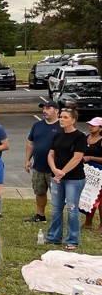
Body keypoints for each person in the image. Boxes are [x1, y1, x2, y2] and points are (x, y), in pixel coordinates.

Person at [46, 107, 88, 250]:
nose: (62, 120)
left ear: (73, 120)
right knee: (56, 208)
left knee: (71, 208)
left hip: (74, 179)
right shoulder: (57, 135)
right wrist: (54, 170)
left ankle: (72, 240)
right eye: (61, 117)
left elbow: (77, 158)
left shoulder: (80, 136)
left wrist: (62, 172)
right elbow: (51, 155)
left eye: (65, 117)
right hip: (57, 178)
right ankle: (54, 237)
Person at [24, 100, 61, 224]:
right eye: (44, 108)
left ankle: (57, 217)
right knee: (39, 192)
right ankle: (40, 215)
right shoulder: (37, 125)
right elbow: (31, 143)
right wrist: (27, 159)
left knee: (57, 195)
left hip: (55, 169)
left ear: (56, 111)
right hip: (38, 167)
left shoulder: (62, 126)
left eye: (48, 108)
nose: (44, 111)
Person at [82, 117, 102, 232]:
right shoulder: (85, 138)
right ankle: (88, 222)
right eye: (89, 125)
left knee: (100, 200)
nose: (90, 127)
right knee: (90, 196)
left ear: (100, 128)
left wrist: (90, 157)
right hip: (88, 172)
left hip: (100, 172)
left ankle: (101, 225)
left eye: (93, 125)